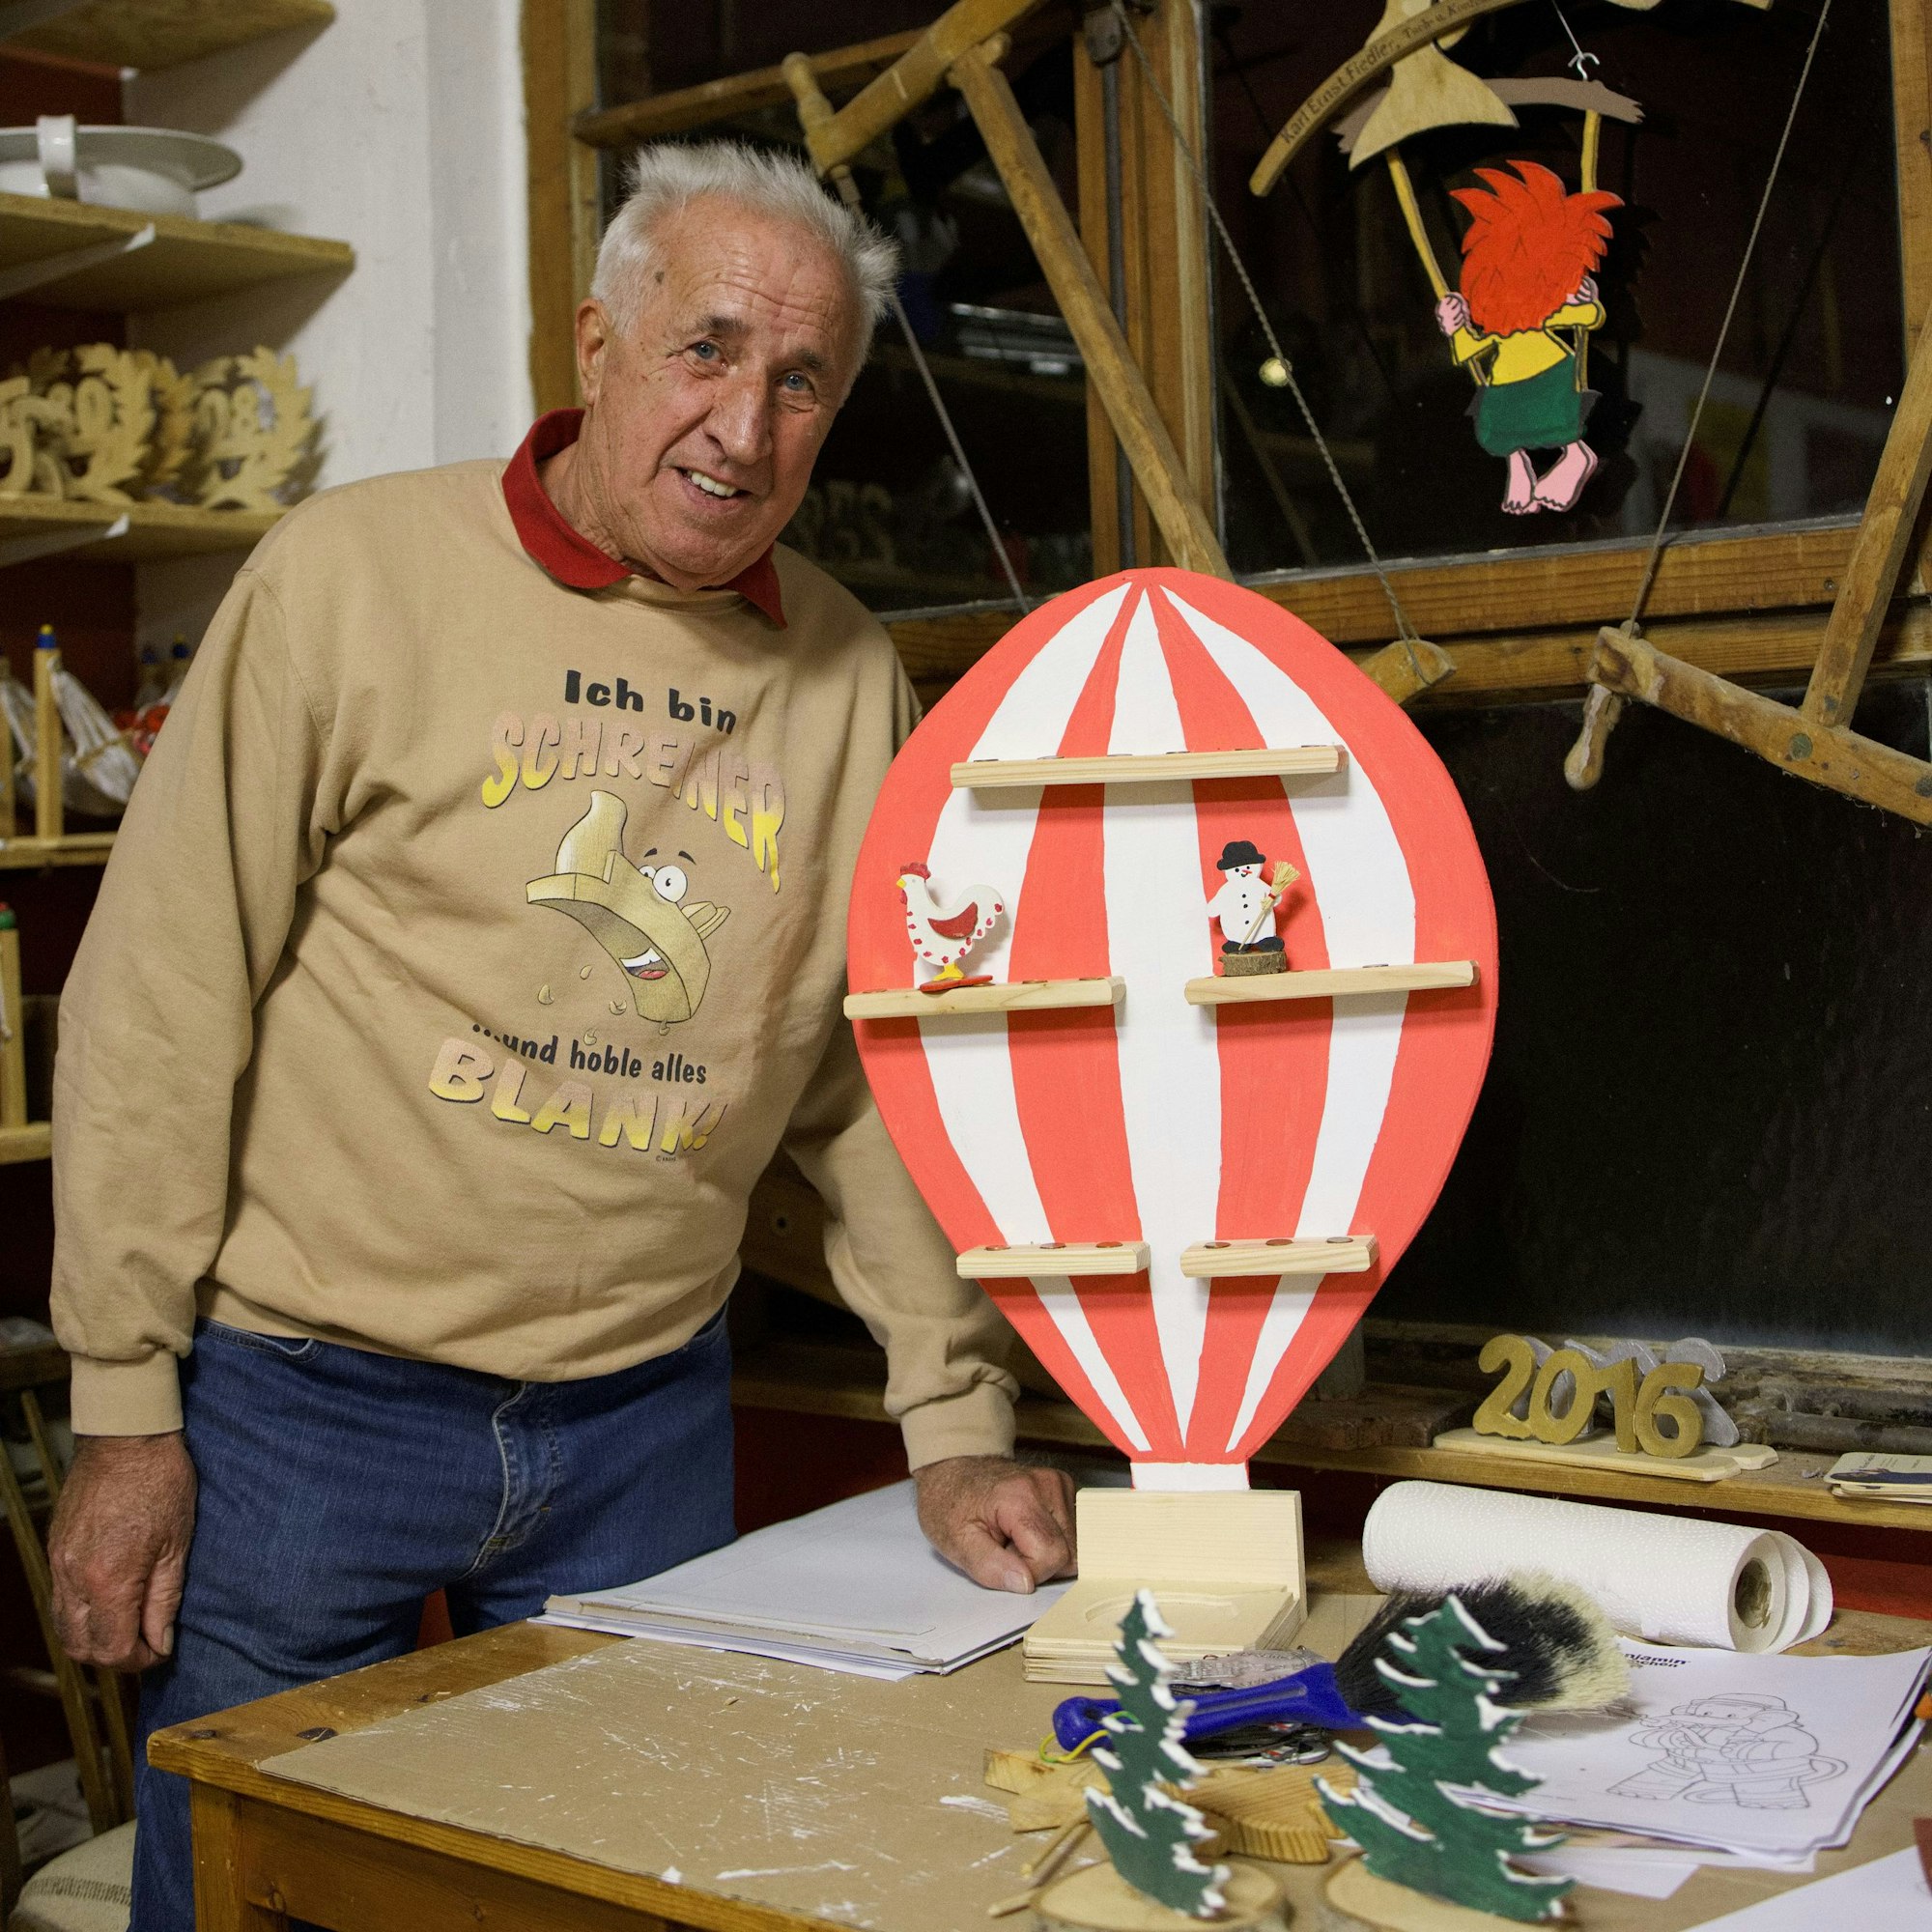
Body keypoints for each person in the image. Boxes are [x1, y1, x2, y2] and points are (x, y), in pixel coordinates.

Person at [44, 141, 1074, 1929]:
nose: (743, 425)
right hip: (306, 1409)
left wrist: (952, 1412)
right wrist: (128, 1406)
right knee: (244, 1895)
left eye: (801, 377)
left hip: (643, 1429)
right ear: (594, 340)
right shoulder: (348, 577)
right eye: (706, 348)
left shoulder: (847, 678)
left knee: (619, 1894)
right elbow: (158, 1003)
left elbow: (862, 1080)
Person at [1433, 159, 1622, 516]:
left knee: (1557, 422)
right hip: (1505, 382)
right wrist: (1455, 327)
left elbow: (1589, 317)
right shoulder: (1498, 319)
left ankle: (1576, 456)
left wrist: (1587, 297)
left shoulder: (1546, 310)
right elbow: (1467, 351)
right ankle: (1519, 467)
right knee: (1496, 429)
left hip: (1550, 373)